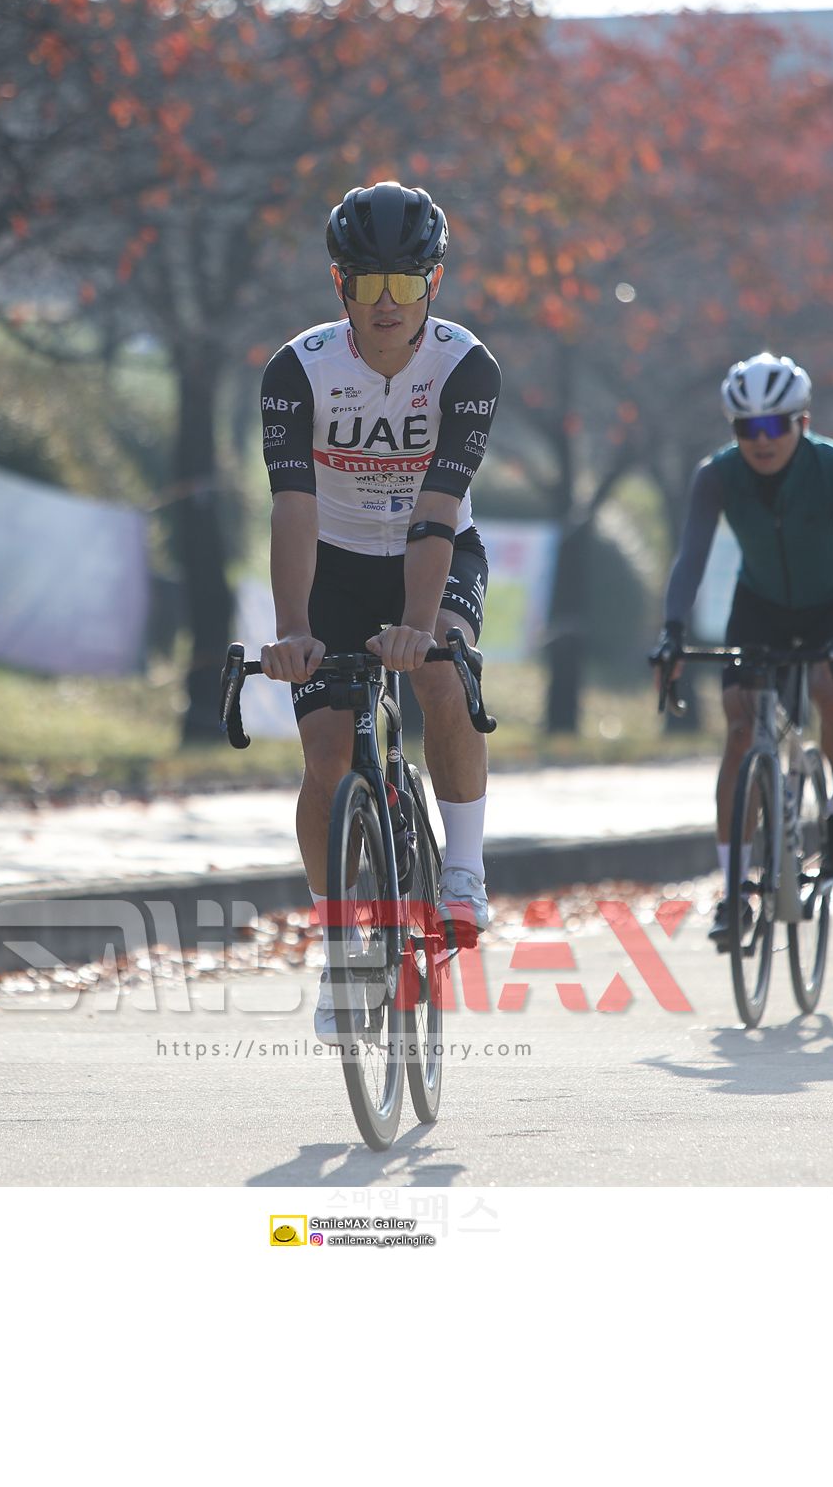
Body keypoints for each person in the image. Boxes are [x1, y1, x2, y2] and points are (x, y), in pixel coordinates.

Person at [256, 181, 502, 1037]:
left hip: (436, 552)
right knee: (326, 754)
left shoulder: (466, 367)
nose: (387, 303)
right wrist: (294, 631)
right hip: (331, 560)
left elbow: (439, 505)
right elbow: (292, 508)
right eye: (367, 284)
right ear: (341, 285)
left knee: (442, 676)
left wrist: (421, 628)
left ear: (434, 283)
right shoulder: (298, 371)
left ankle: (462, 871)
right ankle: (340, 950)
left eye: (405, 283)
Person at [651, 353, 833, 950]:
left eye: (775, 425)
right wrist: (672, 630)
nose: (761, 439)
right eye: (747, 427)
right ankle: (732, 889)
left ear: (804, 422)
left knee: (830, 688)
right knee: (740, 727)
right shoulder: (716, 475)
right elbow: (691, 557)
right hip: (762, 605)